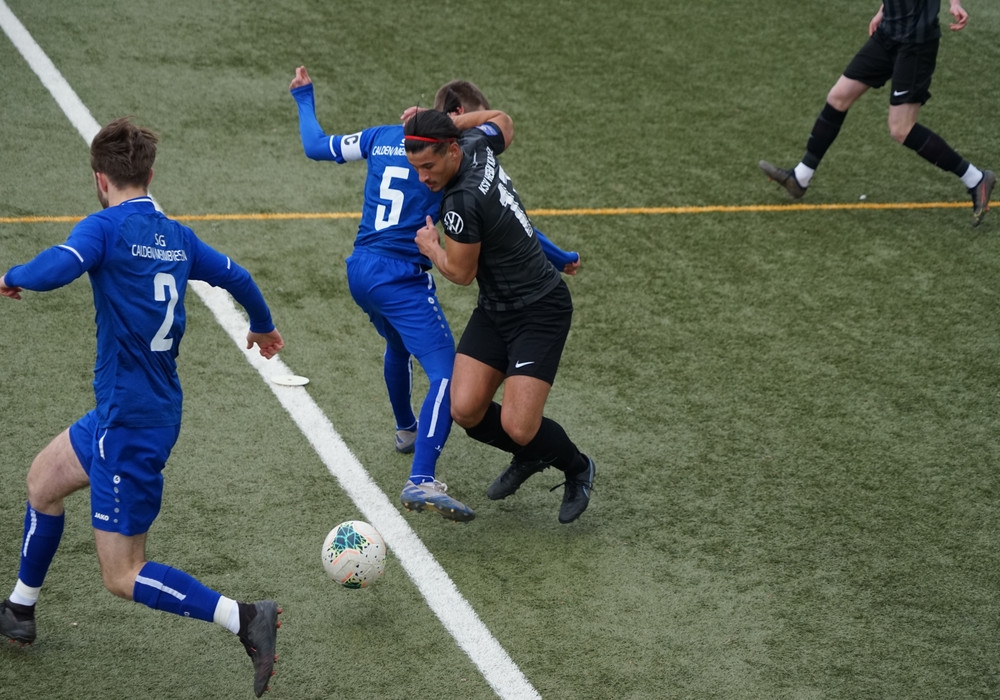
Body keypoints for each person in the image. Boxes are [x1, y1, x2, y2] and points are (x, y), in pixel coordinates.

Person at [0, 118, 283, 698]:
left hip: (129, 423)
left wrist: (11, 275)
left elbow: (58, 267)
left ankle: (244, 617)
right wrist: (262, 326)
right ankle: (19, 609)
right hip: (136, 410)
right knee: (43, 480)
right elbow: (239, 276)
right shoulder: (177, 236)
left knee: (122, 573)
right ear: (150, 175)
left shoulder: (103, 228)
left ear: (100, 180)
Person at [289, 67, 580, 523]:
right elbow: (479, 243)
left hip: (360, 269)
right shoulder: (449, 173)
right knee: (446, 376)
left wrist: (304, 96)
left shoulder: (382, 137)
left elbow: (315, 145)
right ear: (456, 121)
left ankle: (407, 428)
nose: (421, 175)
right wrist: (559, 256)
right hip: (401, 276)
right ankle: (422, 476)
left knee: (398, 344)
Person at [404, 109, 595, 524]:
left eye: (429, 166)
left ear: (452, 151)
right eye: (416, 168)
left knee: (519, 425)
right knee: (465, 409)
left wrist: (431, 246)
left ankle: (577, 467)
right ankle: (532, 454)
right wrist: (456, 123)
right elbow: (504, 120)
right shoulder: (477, 142)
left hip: (540, 310)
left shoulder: (459, 202)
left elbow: (461, 273)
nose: (423, 178)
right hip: (495, 309)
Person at [759, 0, 995, 226]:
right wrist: (883, 10)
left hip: (916, 42)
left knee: (901, 128)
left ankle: (976, 179)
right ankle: (801, 177)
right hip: (888, 33)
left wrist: (954, 3)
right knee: (838, 97)